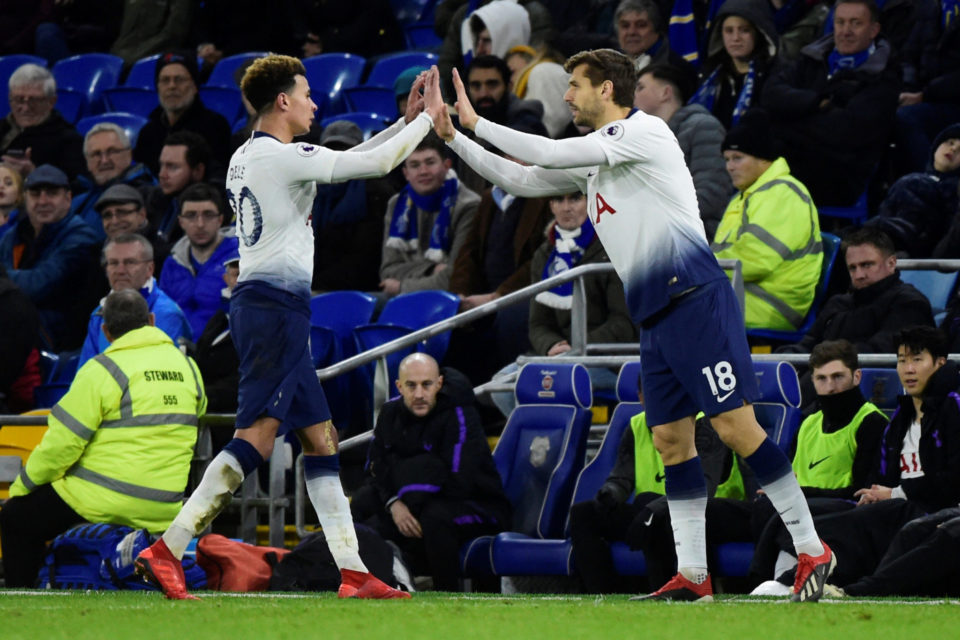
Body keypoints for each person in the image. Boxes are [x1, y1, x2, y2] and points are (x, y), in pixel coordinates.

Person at [435, 47, 835, 602]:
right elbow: (526, 178)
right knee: (671, 441)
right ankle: (694, 575)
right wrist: (455, 138)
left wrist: (477, 121)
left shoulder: (644, 133)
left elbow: (547, 149)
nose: (567, 95)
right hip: (656, 312)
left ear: (606, 90)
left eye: (575, 85)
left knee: (735, 429)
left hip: (695, 297)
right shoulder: (598, 157)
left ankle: (813, 545)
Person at [135, 54, 446, 600]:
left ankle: (352, 572)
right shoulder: (282, 157)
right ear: (282, 101)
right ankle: (168, 548)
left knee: (321, 439)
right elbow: (371, 167)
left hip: (273, 305)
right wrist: (429, 121)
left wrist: (404, 120)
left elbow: (354, 156)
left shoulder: (250, 156)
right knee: (255, 436)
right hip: (273, 308)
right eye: (306, 94)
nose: (314, 103)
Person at [0, 289, 206, 588]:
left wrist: (24, 487)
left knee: (15, 519)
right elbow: (197, 414)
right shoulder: (189, 368)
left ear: (106, 331)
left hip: (100, 499)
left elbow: (61, 446)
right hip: (165, 506)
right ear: (151, 320)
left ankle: (28, 596)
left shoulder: (101, 370)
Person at [351, 353, 511, 591]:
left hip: (478, 504)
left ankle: (447, 594)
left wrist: (411, 498)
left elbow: (459, 480)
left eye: (426, 385)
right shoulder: (389, 414)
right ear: (399, 386)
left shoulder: (460, 414)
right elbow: (375, 470)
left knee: (435, 515)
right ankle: (356, 586)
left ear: (439, 383)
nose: (419, 395)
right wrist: (395, 504)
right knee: (361, 505)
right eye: (411, 385)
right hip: (410, 503)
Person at [760, 0, 900, 207]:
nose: (846, 31)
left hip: (840, 174)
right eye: (840, 22)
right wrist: (816, 103)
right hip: (794, 155)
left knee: (763, 158)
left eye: (856, 23)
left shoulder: (884, 75)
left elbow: (846, 131)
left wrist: (788, 118)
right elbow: (770, 95)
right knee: (754, 128)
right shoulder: (812, 57)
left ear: (874, 30)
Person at [712, 109, 822, 332]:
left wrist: (699, 269)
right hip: (740, 294)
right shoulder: (744, 197)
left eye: (737, 158)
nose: (729, 167)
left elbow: (755, 259)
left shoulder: (783, 193)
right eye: (726, 160)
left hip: (769, 305)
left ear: (763, 159)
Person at [778, 227, 935, 355]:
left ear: (892, 263)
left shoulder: (908, 304)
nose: (859, 275)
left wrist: (822, 358)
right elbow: (807, 345)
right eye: (852, 268)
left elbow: (879, 353)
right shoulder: (838, 304)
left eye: (867, 265)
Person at [0, 163, 99, 351]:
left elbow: (39, 285)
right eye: (35, 194)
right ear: (25, 199)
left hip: (60, 336)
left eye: (52, 193)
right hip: (19, 324)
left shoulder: (81, 237)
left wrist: (5, 277)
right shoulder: (14, 235)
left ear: (68, 199)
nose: (43, 201)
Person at [633, 63, 731, 238]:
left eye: (640, 88)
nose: (633, 95)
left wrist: (655, 218)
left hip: (697, 241)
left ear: (665, 93)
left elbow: (711, 194)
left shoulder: (703, 127)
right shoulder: (644, 140)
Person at [379, 132, 480, 297]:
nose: (423, 171)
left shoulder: (468, 206)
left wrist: (401, 287)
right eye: (415, 165)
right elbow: (388, 272)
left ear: (447, 165)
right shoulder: (396, 204)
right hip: (402, 300)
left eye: (430, 162)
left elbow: (453, 277)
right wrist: (431, 268)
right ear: (406, 173)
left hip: (448, 299)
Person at [311, 120, 400, 293]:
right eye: (331, 151)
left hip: (362, 288)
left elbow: (366, 258)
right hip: (318, 286)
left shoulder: (377, 193)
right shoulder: (315, 193)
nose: (338, 157)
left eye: (345, 151)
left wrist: (318, 287)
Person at [78, 233, 191, 367]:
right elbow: (85, 371)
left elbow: (159, 375)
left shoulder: (167, 313)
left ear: (150, 269)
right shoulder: (98, 314)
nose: (120, 270)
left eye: (129, 262)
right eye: (113, 263)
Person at [133, 52, 232, 180]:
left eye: (179, 79)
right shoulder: (148, 131)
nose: (172, 86)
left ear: (195, 86)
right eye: (165, 80)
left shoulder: (215, 126)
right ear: (157, 87)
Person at [158, 183, 239, 339]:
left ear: (220, 220)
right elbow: (164, 314)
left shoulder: (239, 258)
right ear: (181, 222)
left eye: (208, 215)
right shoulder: (172, 263)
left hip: (225, 353)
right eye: (191, 215)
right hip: (180, 355)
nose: (200, 224)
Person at [869, 123, 960, 258]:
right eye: (949, 142)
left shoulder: (953, 192)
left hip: (911, 252)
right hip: (882, 237)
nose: (953, 148)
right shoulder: (912, 178)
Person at [688, 0, 778, 129]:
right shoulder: (709, 74)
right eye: (729, 31)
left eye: (744, 30)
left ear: (759, 33)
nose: (736, 38)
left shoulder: (774, 74)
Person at [69, 123, 155, 241]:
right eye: (96, 154)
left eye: (112, 151)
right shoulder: (76, 202)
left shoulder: (149, 195)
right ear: (87, 162)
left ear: (129, 154)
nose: (104, 160)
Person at [0, 63, 85, 181]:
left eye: (34, 100)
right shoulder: (2, 128)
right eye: (19, 100)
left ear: (52, 101)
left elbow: (75, 189)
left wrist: (34, 174)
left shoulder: (69, 141)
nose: (25, 108)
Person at [145, 131, 213, 245]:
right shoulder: (154, 199)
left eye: (172, 167)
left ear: (198, 171)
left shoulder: (212, 206)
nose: (162, 174)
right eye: (161, 165)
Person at [613, 0, 691, 72]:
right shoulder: (608, 64)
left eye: (641, 25)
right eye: (625, 26)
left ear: (656, 28)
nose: (631, 32)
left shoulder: (675, 67)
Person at [0, 161, 24, 236]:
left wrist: (3, 227)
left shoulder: (24, 221)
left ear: (19, 195)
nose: (1, 186)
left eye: (8, 183)